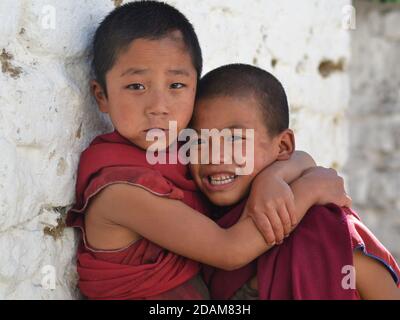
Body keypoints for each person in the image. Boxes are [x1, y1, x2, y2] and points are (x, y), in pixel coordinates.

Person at [66, 1, 350, 299]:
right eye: (137, 86)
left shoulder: (182, 147)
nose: (159, 108)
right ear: (102, 96)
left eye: (176, 85)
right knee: (316, 230)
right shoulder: (119, 190)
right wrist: (309, 189)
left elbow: (290, 156)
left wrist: (274, 178)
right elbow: (229, 250)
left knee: (321, 230)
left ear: (195, 90)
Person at [189, 63, 400, 300]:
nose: (214, 155)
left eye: (235, 138)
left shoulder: (326, 227)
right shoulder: (196, 221)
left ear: (283, 146)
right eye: (198, 141)